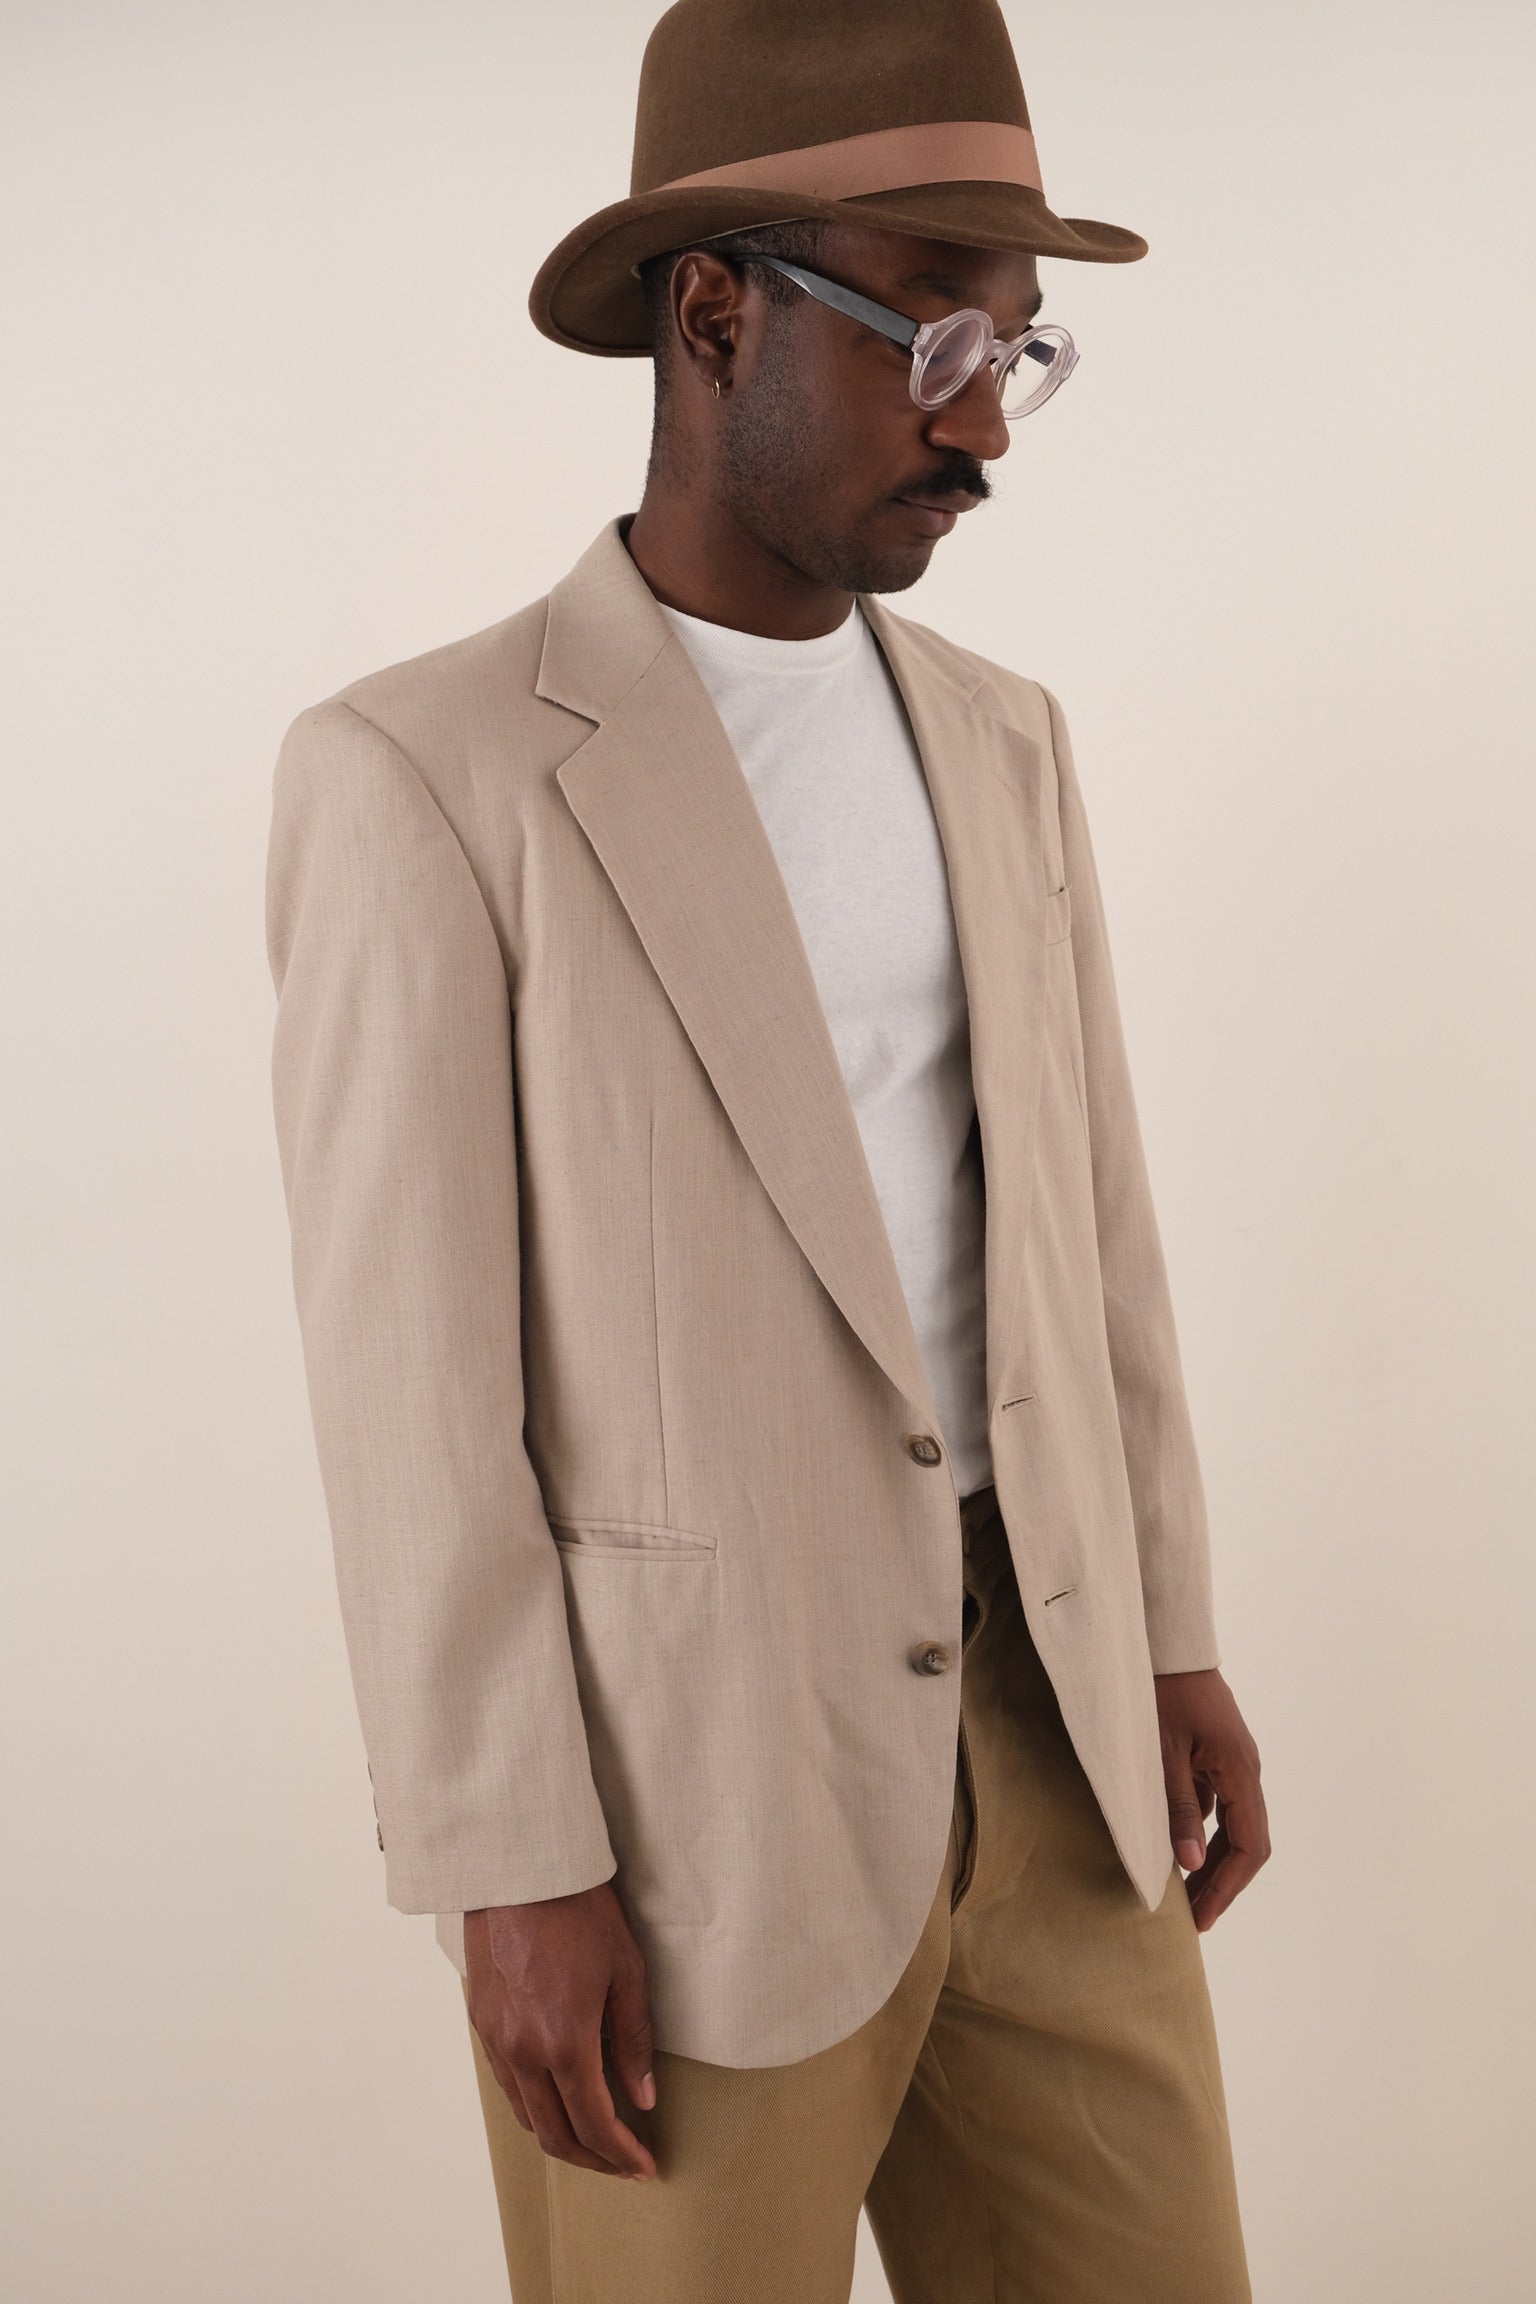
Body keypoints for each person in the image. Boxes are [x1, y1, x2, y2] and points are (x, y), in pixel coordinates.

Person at [265, 1, 1270, 2296]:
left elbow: (1092, 1230)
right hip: (684, 1824)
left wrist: (1173, 1629)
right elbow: (411, 1386)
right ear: (713, 314)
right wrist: (504, 1861)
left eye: (1020, 351)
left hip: (1061, 1746)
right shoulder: (428, 777)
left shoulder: (1006, 743)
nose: (984, 425)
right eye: (934, 337)